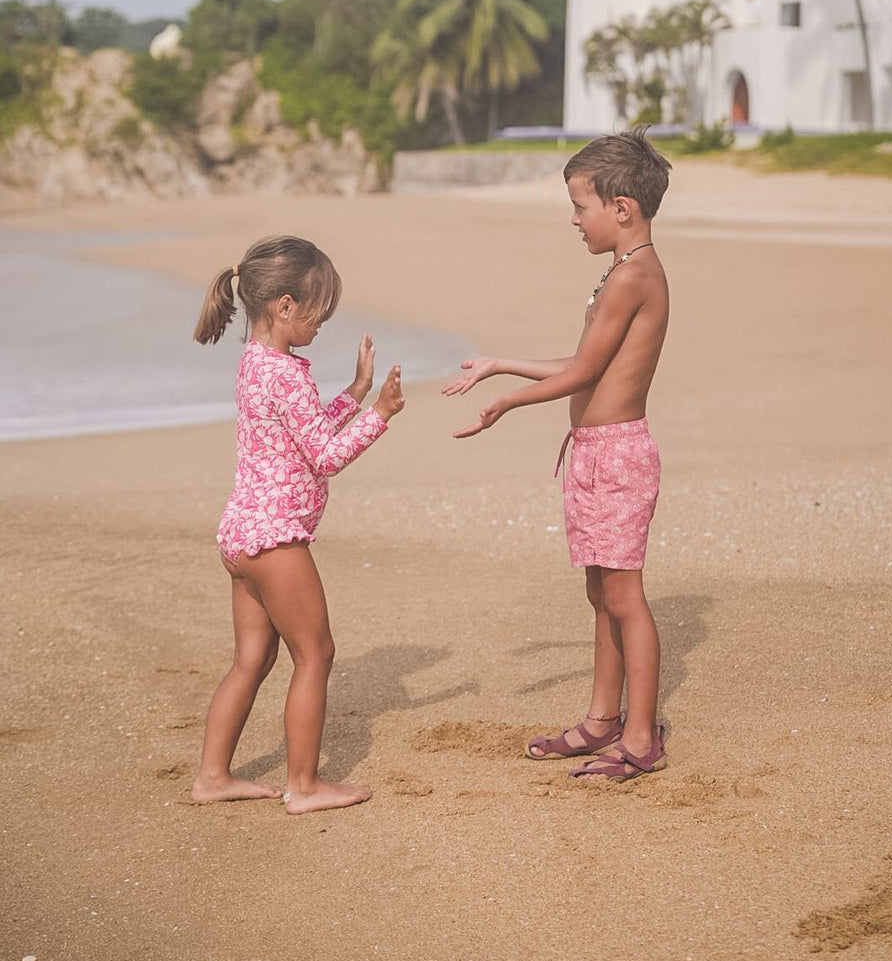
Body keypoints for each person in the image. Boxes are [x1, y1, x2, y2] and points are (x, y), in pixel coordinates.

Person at [444, 128, 671, 781]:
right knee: (600, 590)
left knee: (624, 594)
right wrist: (498, 364)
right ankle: (602, 719)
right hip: (594, 453)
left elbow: (581, 374)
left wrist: (509, 403)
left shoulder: (637, 275)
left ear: (621, 207)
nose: (574, 220)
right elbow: (580, 363)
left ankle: (639, 736)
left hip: (618, 455)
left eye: (581, 206)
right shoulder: (623, 271)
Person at [190, 235, 404, 814]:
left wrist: (356, 392)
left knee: (251, 660)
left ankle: (212, 776)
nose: (320, 324)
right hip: (277, 538)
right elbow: (325, 455)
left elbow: (303, 429)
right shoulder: (284, 372)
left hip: (240, 534)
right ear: (285, 306)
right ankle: (304, 785)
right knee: (316, 654)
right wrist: (380, 415)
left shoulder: (257, 363)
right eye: (317, 312)